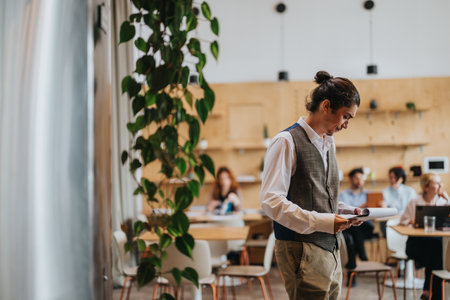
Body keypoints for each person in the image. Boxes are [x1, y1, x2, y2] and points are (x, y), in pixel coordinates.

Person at [261, 70, 364, 300]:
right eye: (346, 116)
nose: (347, 124)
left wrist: (346, 212)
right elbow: (271, 201)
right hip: (301, 250)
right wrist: (323, 221)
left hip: (331, 248)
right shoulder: (286, 142)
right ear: (326, 106)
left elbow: (319, 195)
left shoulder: (329, 144)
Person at [400, 173, 449, 300]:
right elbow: (402, 222)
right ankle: (435, 294)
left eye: (441, 182)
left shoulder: (443, 202)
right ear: (426, 187)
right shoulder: (415, 201)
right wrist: (411, 221)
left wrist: (447, 198)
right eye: (437, 183)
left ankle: (428, 292)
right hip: (415, 245)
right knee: (436, 252)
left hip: (434, 246)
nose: (441, 186)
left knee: (435, 249)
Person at [339, 168, 375, 285]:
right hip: (349, 227)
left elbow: (377, 212)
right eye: (356, 178)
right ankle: (362, 253)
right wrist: (360, 208)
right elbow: (342, 213)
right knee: (351, 239)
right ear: (351, 180)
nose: (359, 181)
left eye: (361, 178)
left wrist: (379, 206)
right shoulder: (343, 195)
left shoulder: (370, 195)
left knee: (352, 237)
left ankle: (351, 275)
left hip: (366, 228)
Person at [380, 166, 417, 236]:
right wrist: (382, 207)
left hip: (406, 221)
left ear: (401, 179)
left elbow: (414, 210)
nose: (392, 180)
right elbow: (383, 213)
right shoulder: (384, 192)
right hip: (389, 221)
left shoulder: (410, 191)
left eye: (395, 177)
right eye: (390, 177)